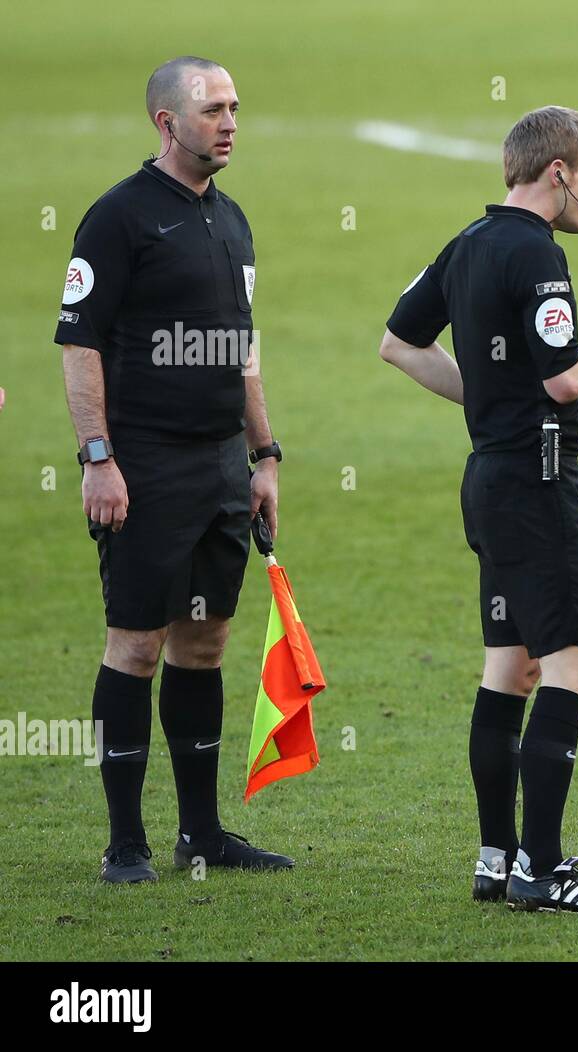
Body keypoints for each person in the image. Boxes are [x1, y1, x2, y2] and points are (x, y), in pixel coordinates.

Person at [380, 106, 578, 912]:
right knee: (576, 666)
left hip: (488, 479)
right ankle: (543, 871)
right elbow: (562, 379)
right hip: (537, 488)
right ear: (557, 173)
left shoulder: (469, 244)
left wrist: (485, 402)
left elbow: (399, 343)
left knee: (508, 669)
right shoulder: (539, 256)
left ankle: (497, 858)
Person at [56, 55, 292, 883]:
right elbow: (79, 344)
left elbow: (242, 351)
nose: (230, 122)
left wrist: (263, 455)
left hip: (222, 468)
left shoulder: (231, 221)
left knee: (205, 642)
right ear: (167, 122)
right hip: (145, 467)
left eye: (235, 107)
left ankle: (203, 833)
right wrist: (99, 459)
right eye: (213, 110)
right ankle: (126, 844)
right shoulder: (117, 219)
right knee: (135, 645)